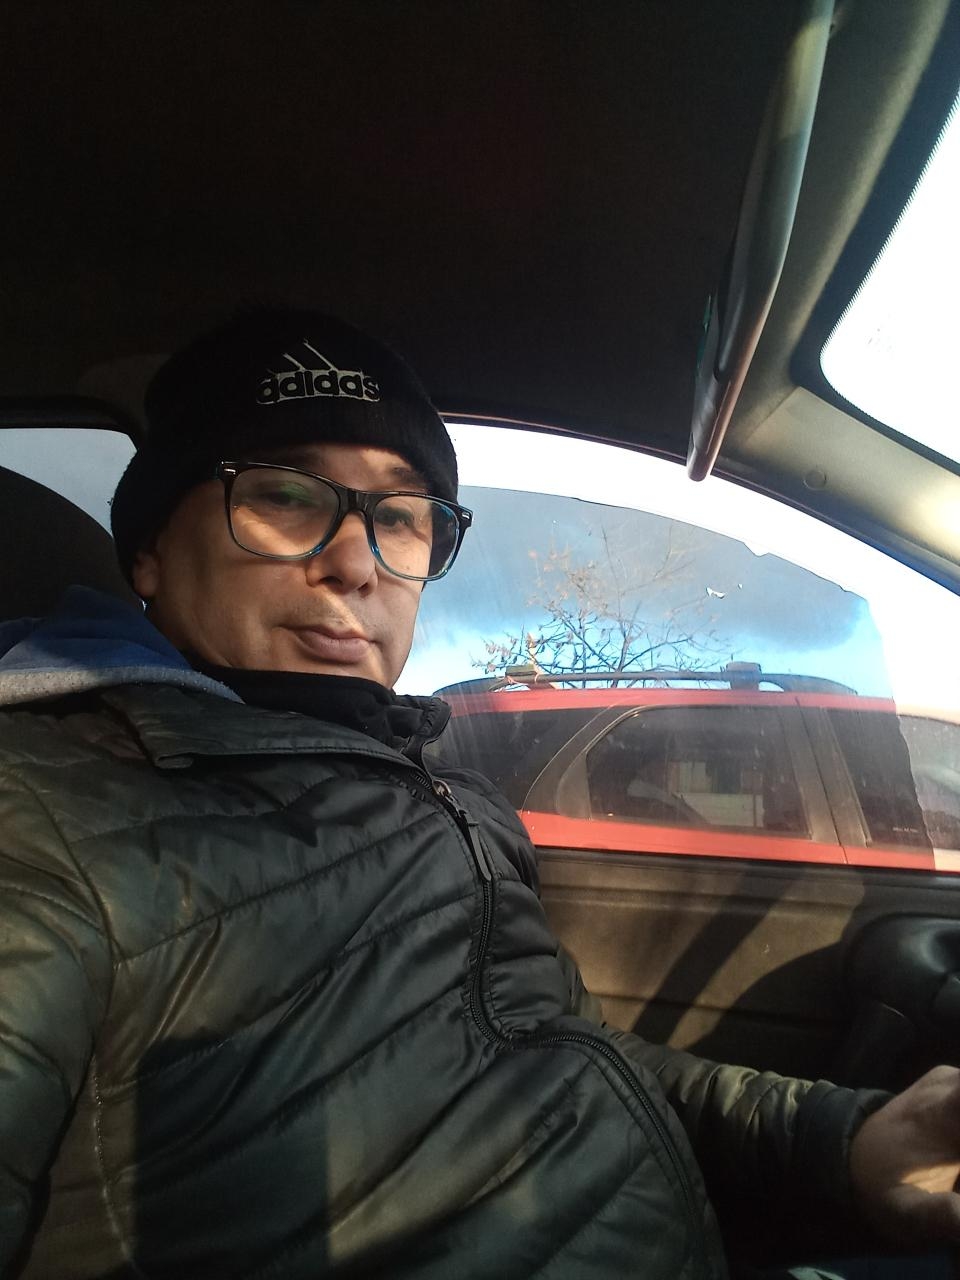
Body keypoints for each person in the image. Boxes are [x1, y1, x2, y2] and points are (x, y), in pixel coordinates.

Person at [0, 308, 957, 1280]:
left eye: (400, 518)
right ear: (152, 549)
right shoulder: (45, 814)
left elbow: (569, 1051)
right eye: (285, 495)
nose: (355, 562)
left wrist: (845, 1140)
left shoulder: (440, 786)